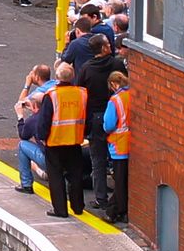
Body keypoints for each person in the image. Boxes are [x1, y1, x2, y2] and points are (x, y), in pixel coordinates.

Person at [79, 35, 124, 210]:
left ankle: (100, 197)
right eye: (107, 43)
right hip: (118, 115)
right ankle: (120, 197)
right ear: (104, 48)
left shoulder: (86, 69)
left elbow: (81, 93)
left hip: (96, 118)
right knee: (118, 159)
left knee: (97, 160)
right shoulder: (117, 65)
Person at [44, 62, 92, 218]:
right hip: (75, 140)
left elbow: (45, 120)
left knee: (56, 176)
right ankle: (78, 207)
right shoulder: (82, 94)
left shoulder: (52, 95)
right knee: (75, 175)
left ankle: (60, 209)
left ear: (57, 77)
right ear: (73, 77)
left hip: (55, 141)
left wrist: (42, 137)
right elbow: (88, 117)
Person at [96, 71, 132, 224]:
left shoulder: (115, 100)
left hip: (118, 145)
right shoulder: (131, 95)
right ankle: (118, 210)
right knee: (125, 181)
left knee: (120, 182)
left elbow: (109, 125)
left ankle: (116, 211)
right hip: (131, 143)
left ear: (113, 84)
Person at [13, 63, 55, 192]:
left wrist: (27, 84)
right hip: (66, 153)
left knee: (23, 145)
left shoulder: (34, 118)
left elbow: (20, 103)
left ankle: (26, 183)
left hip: (50, 157)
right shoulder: (56, 85)